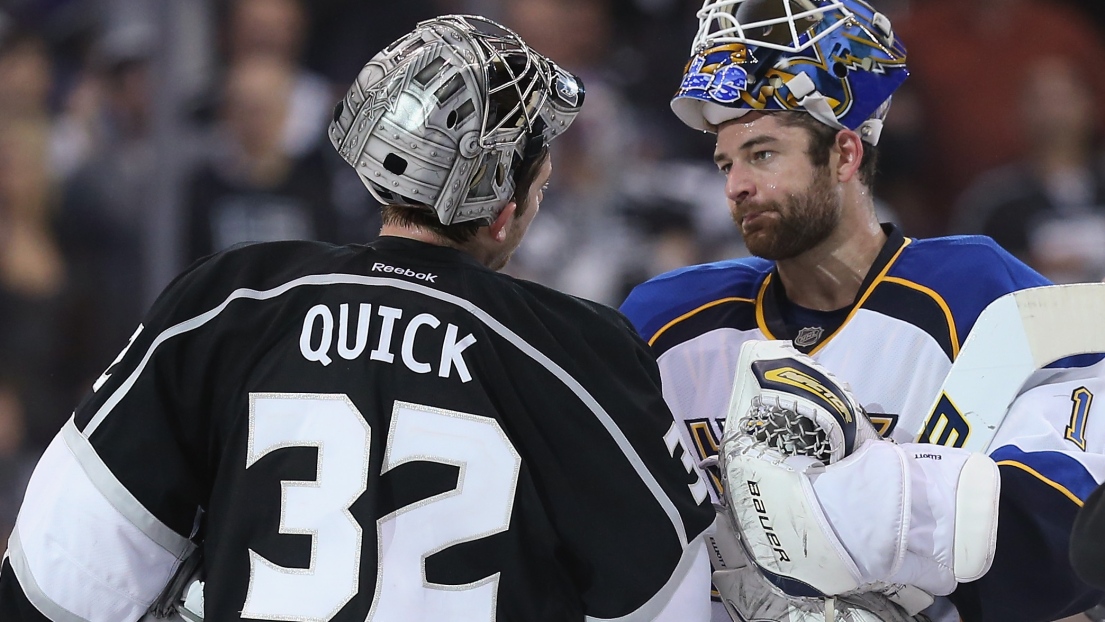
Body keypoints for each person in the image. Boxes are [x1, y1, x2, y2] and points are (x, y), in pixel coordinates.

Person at [0, 15, 714, 621]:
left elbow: (55, 580)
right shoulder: (582, 354)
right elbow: (670, 599)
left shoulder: (228, 301)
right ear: (505, 213)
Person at [618, 0, 1105, 620]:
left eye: (763, 154)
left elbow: (1074, 532)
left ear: (846, 156)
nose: (736, 185)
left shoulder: (983, 298)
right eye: (726, 161)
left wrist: (873, 510)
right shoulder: (669, 321)